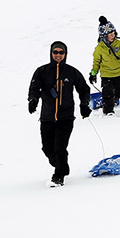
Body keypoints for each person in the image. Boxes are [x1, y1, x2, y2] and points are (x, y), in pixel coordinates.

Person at [28, 41, 91, 186]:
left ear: (65, 54)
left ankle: (59, 175)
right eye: (55, 52)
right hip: (47, 117)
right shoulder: (42, 71)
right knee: (47, 148)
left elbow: (83, 89)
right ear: (51, 53)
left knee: (60, 147)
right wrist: (33, 100)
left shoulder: (71, 72)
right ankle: (62, 166)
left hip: (66, 117)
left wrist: (84, 104)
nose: (58, 55)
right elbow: (34, 87)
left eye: (61, 52)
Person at [89, 16, 120, 115]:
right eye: (110, 34)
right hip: (106, 75)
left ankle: (112, 101)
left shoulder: (118, 44)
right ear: (103, 36)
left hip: (119, 73)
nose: (113, 36)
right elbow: (96, 61)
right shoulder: (99, 49)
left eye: (114, 33)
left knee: (119, 92)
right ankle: (108, 111)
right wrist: (94, 73)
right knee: (108, 93)